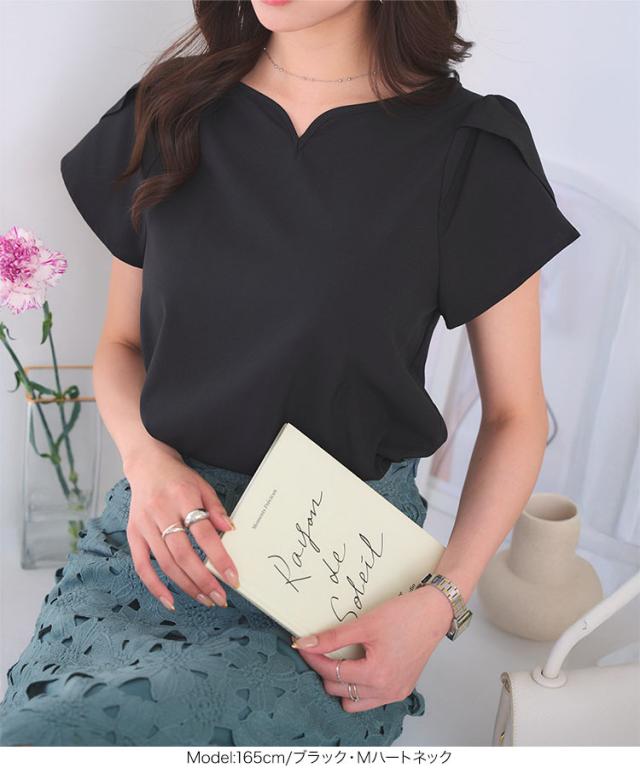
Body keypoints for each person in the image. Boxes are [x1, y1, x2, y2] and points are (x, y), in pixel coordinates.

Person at [0, 0, 580, 747]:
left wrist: (441, 602)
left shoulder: (468, 146)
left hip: (338, 565)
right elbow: (119, 346)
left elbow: (514, 416)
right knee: (46, 731)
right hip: (163, 529)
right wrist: (147, 464)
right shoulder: (170, 108)